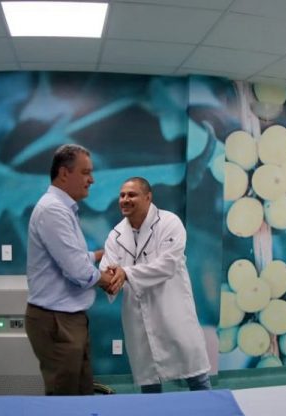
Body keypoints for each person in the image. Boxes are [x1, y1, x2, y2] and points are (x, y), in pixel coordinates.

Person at [100, 177, 212, 393]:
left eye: (131, 195)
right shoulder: (115, 235)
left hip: (172, 310)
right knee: (149, 382)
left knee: (196, 375)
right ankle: (152, 414)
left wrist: (126, 273)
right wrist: (108, 280)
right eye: (122, 195)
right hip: (137, 317)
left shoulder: (169, 223)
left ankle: (210, 411)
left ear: (148, 197)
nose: (125, 199)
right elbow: (107, 269)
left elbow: (167, 265)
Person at [25, 144, 119, 396]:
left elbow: (71, 258)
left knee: (81, 391)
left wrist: (98, 255)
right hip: (57, 321)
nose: (92, 179)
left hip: (67, 319)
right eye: (86, 172)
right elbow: (78, 272)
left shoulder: (62, 209)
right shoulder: (53, 211)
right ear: (64, 173)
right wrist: (109, 280)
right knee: (64, 398)